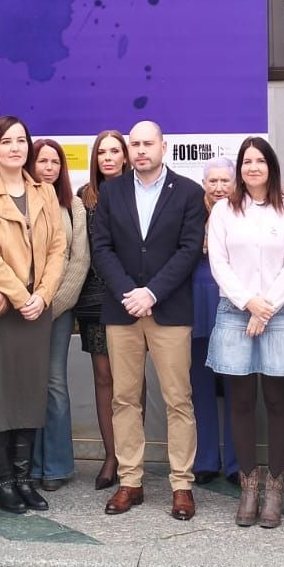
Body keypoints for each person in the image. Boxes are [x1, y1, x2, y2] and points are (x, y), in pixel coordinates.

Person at [91, 120, 206, 520]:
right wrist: (130, 293)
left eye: (148, 143)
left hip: (169, 310)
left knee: (178, 399)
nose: (141, 150)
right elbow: (101, 246)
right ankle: (131, 482)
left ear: (164, 146)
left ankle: (181, 485)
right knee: (124, 398)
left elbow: (189, 250)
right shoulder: (111, 192)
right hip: (122, 310)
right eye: (134, 144)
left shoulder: (190, 192)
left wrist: (152, 292)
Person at [0, 116, 67, 513]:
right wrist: (21, 295)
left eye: (21, 140)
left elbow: (59, 248)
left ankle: (23, 478)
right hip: (0, 311)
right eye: (6, 141)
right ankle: (2, 480)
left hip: (37, 309)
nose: (15, 147)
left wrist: (42, 294)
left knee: (30, 394)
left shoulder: (42, 191)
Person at [205, 137, 284, 529]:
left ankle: (276, 488)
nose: (252, 168)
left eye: (259, 161)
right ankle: (249, 486)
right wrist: (250, 303)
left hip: (278, 313)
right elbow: (220, 264)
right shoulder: (224, 212)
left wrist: (265, 309)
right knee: (242, 403)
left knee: (278, 402)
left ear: (271, 167)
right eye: (245, 162)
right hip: (235, 312)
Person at [30, 138, 90, 492]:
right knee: (27, 385)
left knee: (53, 384)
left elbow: (79, 260)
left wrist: (50, 307)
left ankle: (55, 466)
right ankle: (29, 464)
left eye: (55, 162)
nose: (49, 167)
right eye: (42, 161)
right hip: (20, 310)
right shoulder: (20, 199)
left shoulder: (75, 206)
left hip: (57, 311)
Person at [74, 129, 130, 488]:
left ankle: (131, 457)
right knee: (105, 378)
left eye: (114, 151)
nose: (107, 158)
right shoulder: (84, 197)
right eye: (102, 153)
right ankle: (111, 456)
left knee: (131, 382)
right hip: (94, 299)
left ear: (125, 155)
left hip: (131, 298)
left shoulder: (139, 191)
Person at [191, 157, 240, 485]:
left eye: (225, 181)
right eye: (213, 181)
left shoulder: (244, 213)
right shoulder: (191, 214)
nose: (219, 187)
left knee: (237, 388)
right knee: (200, 387)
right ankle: (206, 459)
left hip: (234, 304)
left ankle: (238, 463)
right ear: (204, 183)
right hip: (195, 304)